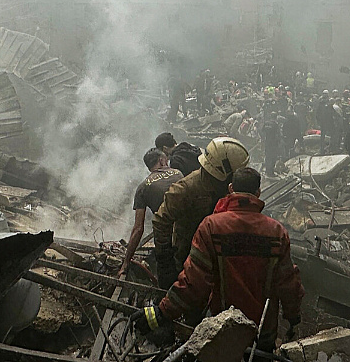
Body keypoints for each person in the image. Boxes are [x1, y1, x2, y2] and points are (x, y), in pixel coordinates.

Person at [134, 168, 304, 350]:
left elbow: (194, 282)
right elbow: (288, 283)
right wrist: (293, 318)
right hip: (263, 333)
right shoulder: (277, 232)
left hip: (223, 329)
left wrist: (162, 311)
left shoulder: (211, 226)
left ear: (230, 188)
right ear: (258, 193)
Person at [152, 137, 251, 292]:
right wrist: (165, 260)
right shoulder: (186, 189)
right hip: (187, 254)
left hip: (218, 253)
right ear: (223, 172)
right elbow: (161, 220)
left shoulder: (226, 187)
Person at [120, 148, 184, 284]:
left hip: (165, 239)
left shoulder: (143, 187)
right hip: (188, 232)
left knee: (166, 280)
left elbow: (138, 229)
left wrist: (126, 262)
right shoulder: (178, 173)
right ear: (161, 160)